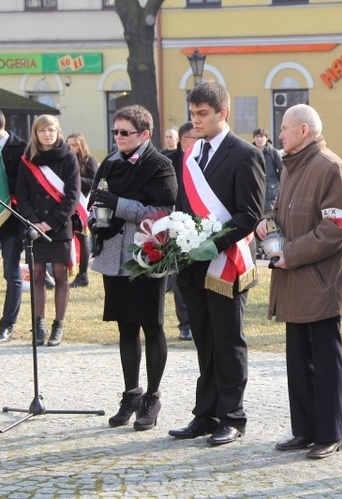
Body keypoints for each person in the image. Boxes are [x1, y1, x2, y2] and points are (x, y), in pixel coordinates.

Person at [255, 103, 342, 460]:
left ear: (304, 131)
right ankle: (305, 430)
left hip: (320, 281)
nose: (279, 134)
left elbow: (337, 228)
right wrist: (267, 224)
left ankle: (330, 434)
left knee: (325, 360)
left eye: (284, 128)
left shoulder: (329, 167)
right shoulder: (292, 168)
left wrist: (293, 253)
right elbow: (287, 215)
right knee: (298, 359)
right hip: (294, 279)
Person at [170, 82, 265, 446]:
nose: (195, 121)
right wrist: (178, 240)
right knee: (204, 342)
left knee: (228, 342)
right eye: (192, 114)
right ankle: (205, 414)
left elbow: (249, 215)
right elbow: (184, 208)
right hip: (192, 266)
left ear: (222, 113)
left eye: (202, 114)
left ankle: (232, 416)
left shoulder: (244, 154)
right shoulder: (191, 155)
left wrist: (207, 245)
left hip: (227, 263)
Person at [88, 105, 177, 430]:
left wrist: (120, 206)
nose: (118, 137)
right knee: (125, 325)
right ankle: (131, 393)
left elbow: (164, 211)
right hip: (114, 255)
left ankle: (152, 397)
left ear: (144, 134)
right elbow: (94, 201)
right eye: (115, 132)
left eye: (124, 132)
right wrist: (93, 222)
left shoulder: (160, 165)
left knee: (151, 325)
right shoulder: (109, 163)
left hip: (147, 254)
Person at [15, 114, 80, 347]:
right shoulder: (27, 160)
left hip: (59, 227)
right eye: (43, 130)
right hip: (34, 228)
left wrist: (51, 223)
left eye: (51, 129)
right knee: (38, 276)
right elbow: (21, 196)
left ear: (58, 131)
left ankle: (58, 325)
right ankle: (39, 324)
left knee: (61, 276)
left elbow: (72, 197)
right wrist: (34, 222)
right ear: (36, 133)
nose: (47, 134)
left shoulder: (69, 158)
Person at [0, 105, 25, 344]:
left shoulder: (20, 148)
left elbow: (23, 185)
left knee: (11, 273)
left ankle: (6, 326)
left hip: (11, 220)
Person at [162, 121, 195, 341]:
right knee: (180, 277)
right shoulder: (169, 162)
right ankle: (185, 324)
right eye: (196, 138)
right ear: (184, 141)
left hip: (203, 225)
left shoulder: (206, 159)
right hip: (177, 225)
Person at [66, 133, 97, 288]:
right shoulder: (65, 160)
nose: (71, 148)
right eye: (69, 145)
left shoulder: (89, 160)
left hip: (83, 204)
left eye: (74, 145)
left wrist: (74, 178)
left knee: (83, 238)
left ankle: (83, 274)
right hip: (69, 202)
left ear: (81, 145)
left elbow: (93, 182)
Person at [252, 127, 284, 213]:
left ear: (266, 138)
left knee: (269, 223)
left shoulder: (273, 153)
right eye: (257, 137)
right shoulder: (249, 153)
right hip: (254, 194)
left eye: (262, 136)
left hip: (270, 195)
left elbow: (283, 171)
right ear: (254, 138)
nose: (259, 139)